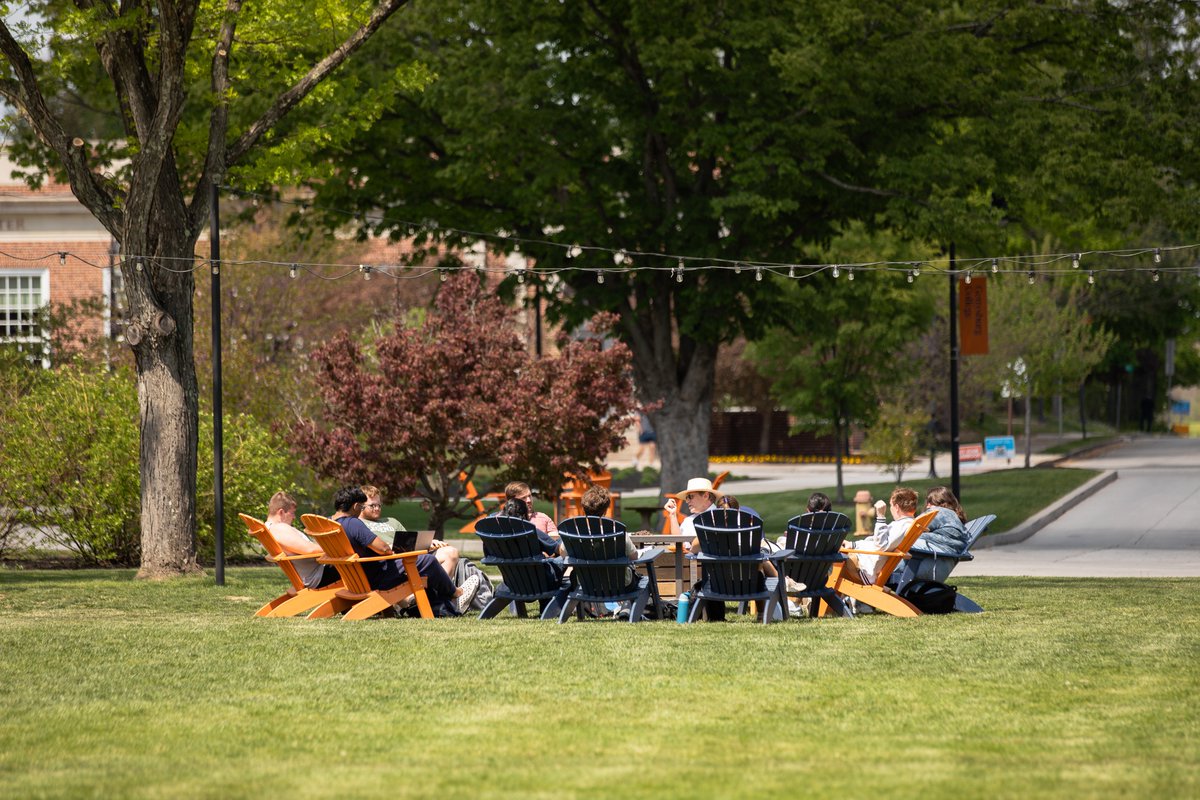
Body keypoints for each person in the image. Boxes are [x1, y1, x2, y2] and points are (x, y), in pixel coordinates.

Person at [331, 486, 477, 616]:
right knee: (428, 560)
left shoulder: (333, 524)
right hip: (379, 575)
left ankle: (442, 601)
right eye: (364, 506)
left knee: (428, 560)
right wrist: (390, 550)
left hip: (362, 576)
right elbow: (382, 548)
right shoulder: (353, 523)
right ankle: (454, 593)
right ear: (356, 506)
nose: (373, 509)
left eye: (378, 505)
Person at [360, 484, 462, 581]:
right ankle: (442, 595)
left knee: (451, 552)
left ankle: (440, 594)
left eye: (379, 505)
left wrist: (428, 543)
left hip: (410, 557)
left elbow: (409, 542)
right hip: (393, 564)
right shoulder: (357, 525)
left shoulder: (391, 521)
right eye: (372, 506)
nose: (377, 508)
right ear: (360, 506)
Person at [843, 486, 918, 584]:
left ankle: (835, 597)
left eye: (891, 505)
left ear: (896, 507)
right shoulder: (907, 524)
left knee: (838, 558)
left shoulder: (902, 526)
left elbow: (881, 545)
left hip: (867, 571)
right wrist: (854, 545)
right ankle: (846, 598)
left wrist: (881, 517)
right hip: (871, 565)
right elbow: (879, 543)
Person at [264, 491, 339, 589]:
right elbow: (310, 550)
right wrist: (336, 548)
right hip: (318, 576)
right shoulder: (279, 529)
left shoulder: (268, 528)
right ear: (281, 512)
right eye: (292, 513)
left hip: (313, 574)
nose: (294, 517)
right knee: (363, 563)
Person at [914, 485, 970, 555]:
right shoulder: (953, 516)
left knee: (905, 544)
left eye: (930, 502)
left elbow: (914, 527)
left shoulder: (938, 512)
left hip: (941, 549)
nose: (927, 506)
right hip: (951, 550)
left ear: (939, 502)